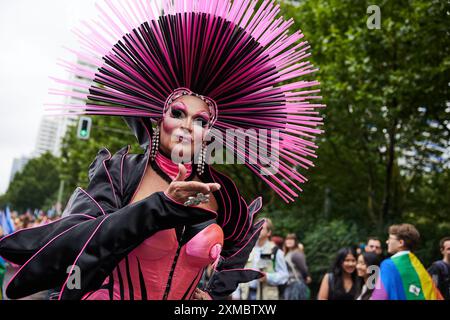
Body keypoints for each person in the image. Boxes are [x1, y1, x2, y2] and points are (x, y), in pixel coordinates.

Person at [0, 0, 323, 300]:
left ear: (210, 133)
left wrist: (212, 292)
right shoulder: (120, 174)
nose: (186, 126)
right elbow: (72, 246)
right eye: (178, 113)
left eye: (200, 120)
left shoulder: (221, 192)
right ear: (159, 118)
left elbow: (236, 250)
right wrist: (159, 208)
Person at [371, 224, 443, 300]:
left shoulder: (389, 265)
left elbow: (380, 295)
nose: (387, 241)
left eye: (390, 238)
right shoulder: (419, 267)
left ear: (400, 243)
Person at [237, 219, 289, 300]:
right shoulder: (247, 249)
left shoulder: (276, 251)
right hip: (246, 295)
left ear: (269, 233)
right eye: (256, 227)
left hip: (266, 296)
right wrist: (236, 295)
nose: (258, 230)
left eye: (262, 228)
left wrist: (268, 277)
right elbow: (238, 272)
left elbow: (284, 276)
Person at [282, 233, 311, 300]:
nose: (289, 241)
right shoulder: (288, 253)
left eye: (291, 239)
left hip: (297, 284)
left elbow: (303, 268)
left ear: (295, 241)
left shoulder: (296, 253)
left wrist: (307, 276)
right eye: (287, 239)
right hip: (289, 284)